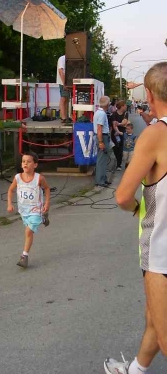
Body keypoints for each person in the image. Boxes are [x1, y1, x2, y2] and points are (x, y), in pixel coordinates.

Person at [104, 62, 167, 374]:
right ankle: (136, 370)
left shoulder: (156, 134)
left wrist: (134, 210)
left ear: (151, 97)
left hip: (161, 253)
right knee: (154, 317)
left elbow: (122, 196)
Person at [7, 151, 50, 268]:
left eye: (28, 162)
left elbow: (46, 189)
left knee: (28, 231)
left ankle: (24, 256)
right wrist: (10, 204)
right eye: (23, 161)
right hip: (23, 211)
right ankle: (43, 219)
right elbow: (10, 190)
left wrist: (47, 203)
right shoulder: (17, 178)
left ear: (35, 165)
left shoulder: (39, 178)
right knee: (29, 232)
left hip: (36, 210)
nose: (25, 164)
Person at [93, 96, 111, 187]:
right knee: (101, 160)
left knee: (103, 159)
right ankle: (100, 180)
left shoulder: (99, 112)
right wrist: (101, 142)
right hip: (102, 137)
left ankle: (103, 178)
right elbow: (99, 128)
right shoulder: (102, 114)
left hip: (102, 136)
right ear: (107, 104)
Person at [111, 100, 129, 171]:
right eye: (125, 105)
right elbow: (113, 125)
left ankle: (119, 164)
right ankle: (118, 160)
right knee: (115, 148)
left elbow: (124, 122)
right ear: (122, 106)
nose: (126, 106)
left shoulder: (125, 113)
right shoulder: (114, 114)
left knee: (121, 149)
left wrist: (118, 124)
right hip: (115, 133)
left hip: (122, 132)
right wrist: (117, 131)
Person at [56, 55, 68, 123]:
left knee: (66, 99)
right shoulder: (62, 58)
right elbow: (61, 71)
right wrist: (64, 83)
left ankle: (65, 117)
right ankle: (63, 118)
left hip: (67, 82)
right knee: (63, 98)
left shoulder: (68, 59)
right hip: (62, 82)